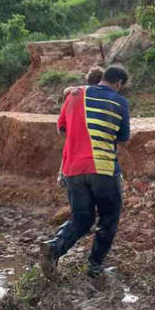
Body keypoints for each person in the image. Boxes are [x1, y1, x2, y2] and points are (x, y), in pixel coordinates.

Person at [40, 65, 131, 281]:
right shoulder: (120, 102)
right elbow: (124, 139)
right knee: (108, 219)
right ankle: (94, 267)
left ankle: (54, 249)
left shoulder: (74, 94)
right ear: (118, 83)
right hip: (103, 168)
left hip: (72, 168)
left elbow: (61, 129)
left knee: (82, 218)